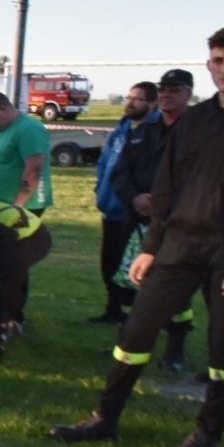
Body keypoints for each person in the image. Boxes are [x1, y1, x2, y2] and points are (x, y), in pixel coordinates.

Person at [52, 27, 224, 447]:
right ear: (209, 64)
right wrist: (151, 247)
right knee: (135, 333)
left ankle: (205, 439)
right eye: (218, 60)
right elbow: (167, 186)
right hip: (177, 244)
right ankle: (104, 419)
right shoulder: (196, 120)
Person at [113, 70, 197, 369]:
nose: (166, 95)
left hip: (177, 225)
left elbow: (199, 181)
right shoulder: (142, 132)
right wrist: (135, 197)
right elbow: (120, 172)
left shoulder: (196, 133)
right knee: (131, 283)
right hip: (137, 220)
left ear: (188, 94)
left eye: (174, 90)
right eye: (163, 89)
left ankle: (175, 349)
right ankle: (129, 341)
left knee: (176, 292)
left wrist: (164, 204)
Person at [90, 83, 158, 324]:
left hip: (134, 213)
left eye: (137, 99)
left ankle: (135, 315)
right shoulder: (121, 129)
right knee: (108, 263)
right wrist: (100, 189)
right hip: (110, 208)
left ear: (152, 103)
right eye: (129, 97)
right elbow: (105, 163)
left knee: (130, 266)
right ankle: (113, 310)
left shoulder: (156, 130)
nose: (130, 102)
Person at [0, 200, 52, 338]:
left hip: (32, 236)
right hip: (19, 235)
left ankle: (6, 322)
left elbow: (9, 236)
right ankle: (5, 319)